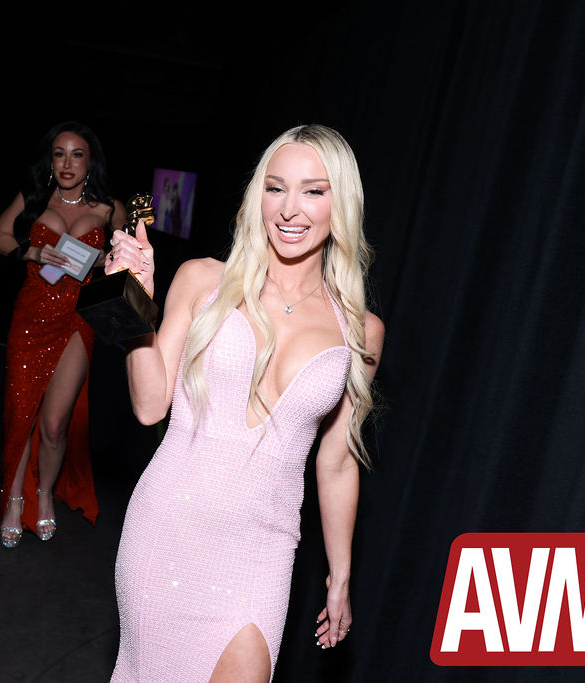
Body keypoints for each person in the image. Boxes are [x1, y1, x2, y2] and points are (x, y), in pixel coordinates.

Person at [106, 124, 385, 681]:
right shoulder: (202, 279)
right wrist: (130, 298)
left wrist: (341, 575)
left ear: (341, 204)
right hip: (168, 528)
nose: (289, 208)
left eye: (313, 190)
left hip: (262, 553)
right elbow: (148, 406)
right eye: (275, 187)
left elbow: (336, 461)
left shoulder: (361, 330)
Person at [0, 121, 126, 549]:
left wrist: (104, 260)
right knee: (21, 415)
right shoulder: (32, 198)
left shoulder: (109, 208)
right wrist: (31, 250)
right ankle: (14, 500)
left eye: (77, 154)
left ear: (90, 161)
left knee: (53, 424)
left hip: (78, 321)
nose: (67, 163)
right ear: (50, 161)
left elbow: (128, 262)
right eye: (59, 154)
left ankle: (44, 493)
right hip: (31, 318)